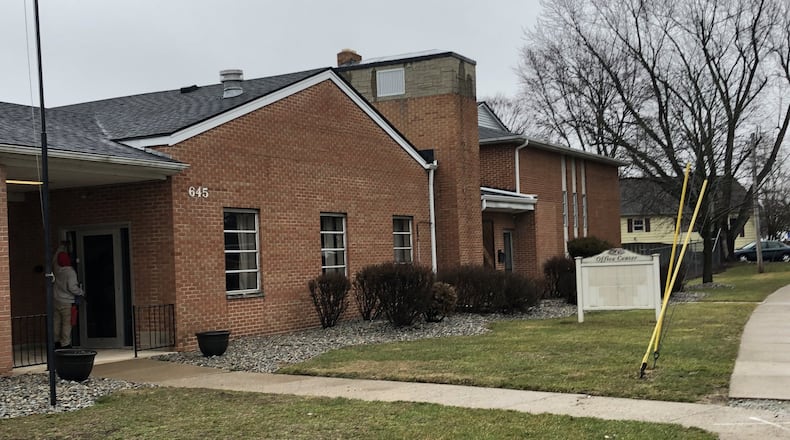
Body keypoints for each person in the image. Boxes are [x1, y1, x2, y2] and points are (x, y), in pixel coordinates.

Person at [53, 251, 84, 349]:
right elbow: (72, 287)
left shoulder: (57, 269)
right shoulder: (70, 272)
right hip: (67, 302)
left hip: (56, 300)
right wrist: (81, 292)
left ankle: (56, 342)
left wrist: (60, 248)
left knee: (56, 322)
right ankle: (65, 344)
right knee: (67, 323)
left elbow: (54, 260)